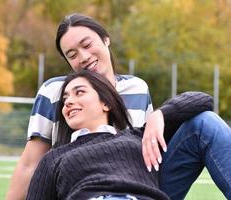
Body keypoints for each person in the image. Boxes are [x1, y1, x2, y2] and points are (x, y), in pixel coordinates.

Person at [7, 13, 206, 199]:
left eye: (87, 44)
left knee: (207, 124)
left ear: (105, 39)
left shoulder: (137, 88)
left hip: (139, 184)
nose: (83, 57)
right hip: (80, 187)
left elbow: (145, 147)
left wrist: (159, 115)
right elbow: (29, 165)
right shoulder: (54, 91)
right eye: (72, 54)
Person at [26, 70, 211, 200]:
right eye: (65, 99)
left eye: (79, 92)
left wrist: (160, 115)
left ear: (106, 103)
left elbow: (203, 100)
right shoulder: (53, 158)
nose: (69, 102)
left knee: (208, 121)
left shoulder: (138, 136)